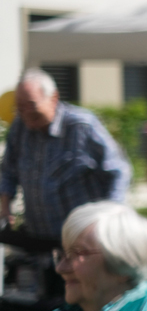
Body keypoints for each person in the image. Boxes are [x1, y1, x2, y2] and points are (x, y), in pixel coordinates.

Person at [1, 69, 131, 239]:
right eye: (20, 107)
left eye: (31, 104)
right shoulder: (19, 127)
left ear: (53, 98)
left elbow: (119, 171)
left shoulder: (81, 125)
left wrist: (108, 218)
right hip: (38, 238)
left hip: (81, 239)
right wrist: (4, 207)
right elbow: (8, 171)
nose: (25, 112)